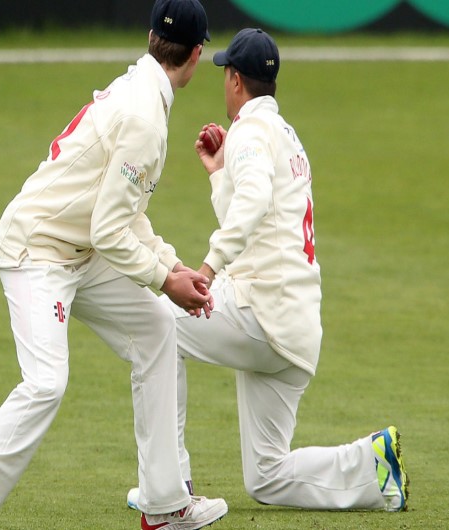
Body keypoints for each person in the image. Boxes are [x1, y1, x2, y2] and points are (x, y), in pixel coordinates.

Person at [0, 1, 230, 529]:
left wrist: (172, 266)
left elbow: (120, 215)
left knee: (158, 328)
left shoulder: (140, 91)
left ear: (152, 39)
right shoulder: (144, 116)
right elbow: (109, 230)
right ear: (198, 54)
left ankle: (163, 504)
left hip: (81, 251)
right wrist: (165, 280)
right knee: (46, 383)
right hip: (37, 250)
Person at [128, 28, 409, 514]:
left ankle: (169, 485)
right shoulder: (284, 136)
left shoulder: (251, 133)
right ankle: (373, 465)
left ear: (235, 80)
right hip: (296, 329)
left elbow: (254, 203)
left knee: (157, 324)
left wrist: (208, 268)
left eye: (225, 75)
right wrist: (219, 172)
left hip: (263, 310)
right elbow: (254, 214)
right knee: (267, 477)